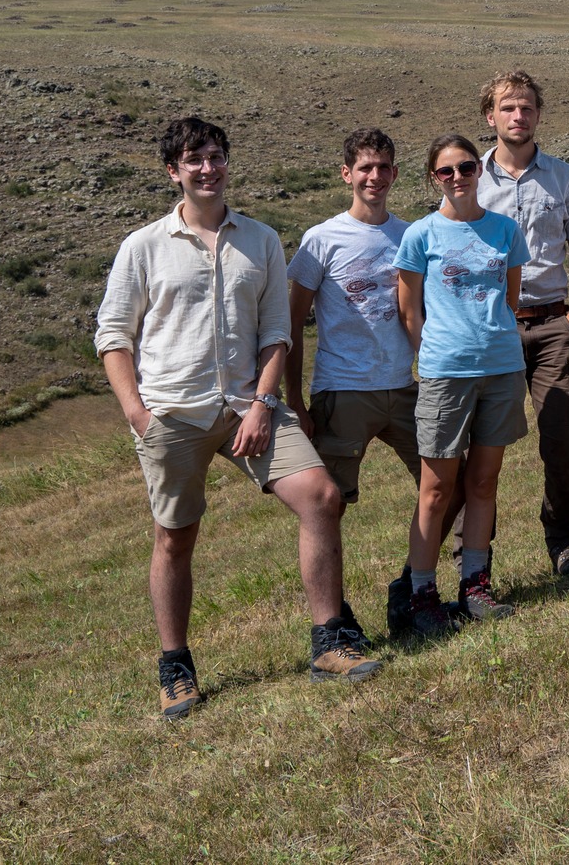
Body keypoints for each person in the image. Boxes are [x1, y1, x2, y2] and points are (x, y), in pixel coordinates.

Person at [97, 117, 378, 720]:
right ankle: (176, 667)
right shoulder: (143, 247)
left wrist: (261, 404)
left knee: (322, 495)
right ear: (173, 171)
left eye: (216, 156)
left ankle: (329, 641)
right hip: (173, 412)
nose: (207, 168)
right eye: (194, 159)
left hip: (251, 405)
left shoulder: (262, 241)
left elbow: (278, 334)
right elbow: (113, 338)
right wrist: (139, 415)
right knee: (176, 537)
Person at [286, 127, 452, 642]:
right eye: (364, 168)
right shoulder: (321, 239)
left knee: (447, 486)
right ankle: (336, 616)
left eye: (383, 168)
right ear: (347, 175)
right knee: (327, 506)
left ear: (395, 174)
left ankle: (410, 587)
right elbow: (291, 323)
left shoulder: (413, 235)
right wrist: (295, 402)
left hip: (405, 386)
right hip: (343, 388)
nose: (374, 177)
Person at [394, 133, 531, 634]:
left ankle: (475, 586)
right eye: (446, 171)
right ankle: (422, 594)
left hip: (500, 367)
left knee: (484, 481)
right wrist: (431, 352)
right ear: (434, 178)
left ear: (479, 171)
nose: (457, 178)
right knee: (435, 488)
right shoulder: (420, 235)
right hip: (445, 373)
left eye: (466, 168)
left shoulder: (505, 230)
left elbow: (510, 298)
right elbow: (409, 310)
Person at [473, 69, 569, 578]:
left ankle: (564, 542)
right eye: (507, 108)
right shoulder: (468, 178)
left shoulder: (563, 177)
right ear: (490, 117)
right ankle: (473, 557)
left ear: (538, 115)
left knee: (563, 437)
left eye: (526, 107)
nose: (517, 116)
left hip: (550, 325)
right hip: (490, 328)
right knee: (478, 445)